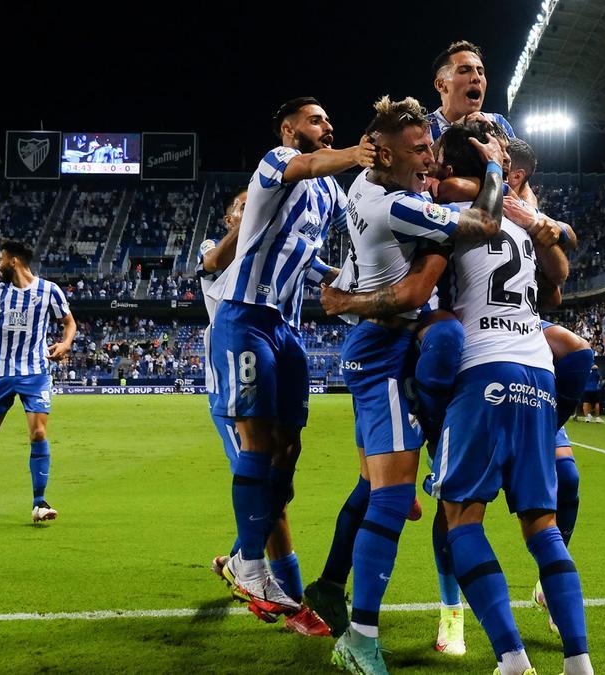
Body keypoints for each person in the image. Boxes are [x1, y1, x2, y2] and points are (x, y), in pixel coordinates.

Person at [305, 97, 507, 673]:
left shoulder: (366, 187)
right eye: (420, 150)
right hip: (385, 353)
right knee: (394, 495)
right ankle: (361, 635)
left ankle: (340, 592)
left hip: (399, 345)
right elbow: (486, 225)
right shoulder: (397, 206)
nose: (430, 158)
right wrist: (492, 170)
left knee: (390, 491)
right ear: (387, 153)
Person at [429, 119, 591, 675]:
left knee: (462, 518)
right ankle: (579, 663)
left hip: (483, 370)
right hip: (538, 375)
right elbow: (557, 275)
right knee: (541, 527)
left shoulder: (457, 217)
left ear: (453, 168)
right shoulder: (522, 226)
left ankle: (513, 658)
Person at [207, 96, 374, 619]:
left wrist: (345, 283)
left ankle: (246, 550)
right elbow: (309, 162)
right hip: (247, 315)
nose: (327, 124)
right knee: (257, 440)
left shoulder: (327, 192)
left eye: (329, 118)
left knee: (289, 451)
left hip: (288, 328)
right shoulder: (277, 161)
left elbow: (304, 253)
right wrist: (359, 152)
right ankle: (251, 564)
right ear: (288, 128)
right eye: (316, 119)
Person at [198, 189, 330, 636]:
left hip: (273, 354)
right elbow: (218, 262)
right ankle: (295, 607)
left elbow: (320, 271)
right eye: (243, 206)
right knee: (274, 501)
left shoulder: (281, 246)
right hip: (233, 382)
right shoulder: (215, 250)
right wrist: (254, 216)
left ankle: (239, 559)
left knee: (280, 484)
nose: (252, 209)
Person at [0, 241, 76, 523]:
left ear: (13, 261)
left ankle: (39, 503)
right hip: (0, 372)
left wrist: (65, 343)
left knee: (38, 433)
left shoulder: (49, 291)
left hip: (35, 372)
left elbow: (69, 322)